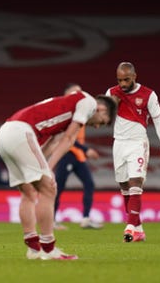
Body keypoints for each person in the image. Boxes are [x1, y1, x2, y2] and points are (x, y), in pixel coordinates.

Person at [0, 90, 116, 260]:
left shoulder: (69, 110)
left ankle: (34, 249)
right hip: (21, 132)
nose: (97, 126)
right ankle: (48, 249)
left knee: (28, 192)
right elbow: (68, 139)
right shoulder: (89, 103)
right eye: (103, 122)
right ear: (102, 109)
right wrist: (47, 170)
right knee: (49, 189)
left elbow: (55, 142)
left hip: (5, 133)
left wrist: (44, 168)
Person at [106, 62, 160, 243]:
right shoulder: (111, 93)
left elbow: (158, 121)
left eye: (126, 80)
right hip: (118, 143)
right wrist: (111, 107)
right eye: (119, 80)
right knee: (124, 187)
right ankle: (139, 230)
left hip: (137, 143)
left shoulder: (148, 95)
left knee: (135, 183)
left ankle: (129, 228)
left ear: (134, 76)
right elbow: (104, 120)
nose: (122, 84)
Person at [53, 83, 102, 230]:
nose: (79, 94)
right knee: (58, 188)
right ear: (66, 94)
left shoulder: (80, 110)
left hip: (78, 155)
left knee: (89, 184)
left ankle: (86, 219)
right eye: (74, 92)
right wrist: (86, 149)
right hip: (67, 153)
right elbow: (67, 136)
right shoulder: (65, 111)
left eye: (80, 92)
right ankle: (51, 221)